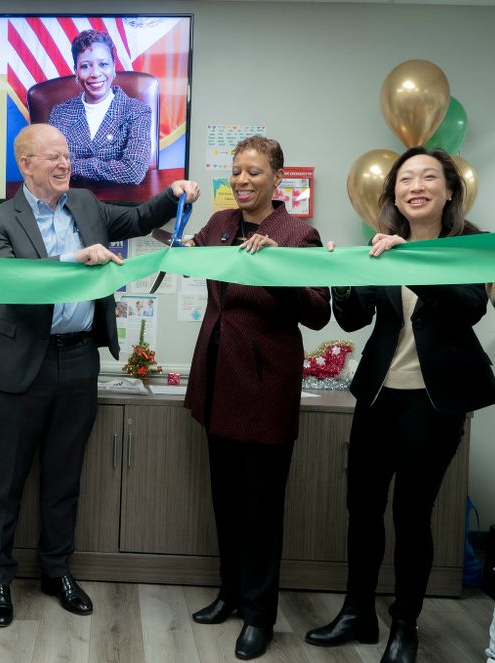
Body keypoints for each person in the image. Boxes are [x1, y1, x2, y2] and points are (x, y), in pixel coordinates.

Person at [0, 122, 199, 627]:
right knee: (5, 480)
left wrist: (172, 194)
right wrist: (70, 261)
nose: (63, 163)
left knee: (64, 475)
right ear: (25, 164)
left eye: (67, 155)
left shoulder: (86, 204)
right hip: (21, 364)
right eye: (51, 156)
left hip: (79, 359)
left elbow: (142, 217)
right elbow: (5, 283)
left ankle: (56, 571)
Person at [306, 147, 495, 663]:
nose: (415, 185)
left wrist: (409, 264)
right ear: (394, 191)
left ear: (449, 190)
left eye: (428, 177)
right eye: (405, 178)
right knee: (361, 509)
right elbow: (352, 321)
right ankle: (357, 613)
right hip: (378, 394)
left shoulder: (470, 245)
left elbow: (469, 307)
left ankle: (404, 627)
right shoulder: (377, 245)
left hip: (434, 403)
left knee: (412, 516)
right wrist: (342, 279)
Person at [184, 135, 330, 660]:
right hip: (218, 384)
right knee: (225, 501)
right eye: (235, 172)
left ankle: (259, 614)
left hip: (265, 391)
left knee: (262, 509)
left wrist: (279, 269)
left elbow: (318, 313)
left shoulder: (298, 235)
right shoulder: (220, 225)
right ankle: (229, 594)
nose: (241, 181)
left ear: (277, 179)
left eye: (252, 172)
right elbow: (189, 258)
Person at [47, 29, 152, 185]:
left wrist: (72, 166)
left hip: (120, 206)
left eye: (103, 64)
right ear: (76, 71)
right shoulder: (60, 113)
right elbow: (50, 166)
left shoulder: (137, 111)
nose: (95, 73)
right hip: (69, 203)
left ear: (113, 67)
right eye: (85, 66)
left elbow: (133, 171)